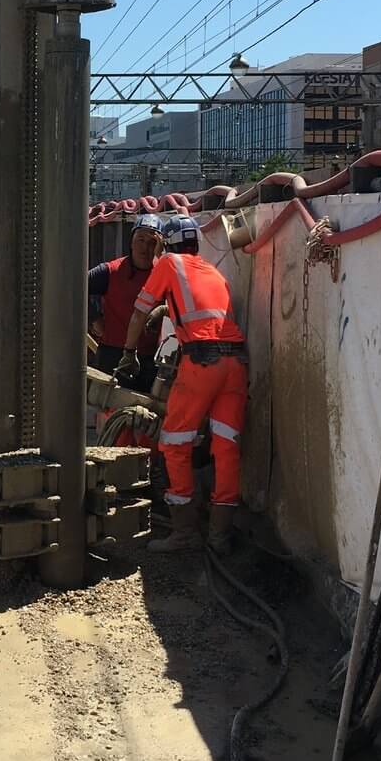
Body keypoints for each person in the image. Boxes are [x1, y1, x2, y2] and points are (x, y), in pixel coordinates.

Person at [113, 215, 246, 554]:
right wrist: (168, 312)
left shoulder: (169, 263)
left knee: (174, 442)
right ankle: (221, 535)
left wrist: (128, 353)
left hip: (201, 364)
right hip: (235, 364)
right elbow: (203, 312)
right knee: (226, 446)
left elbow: (140, 310)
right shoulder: (214, 272)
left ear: (165, 244)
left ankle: (184, 531)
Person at [87, 214, 164, 391]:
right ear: (131, 241)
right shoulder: (111, 271)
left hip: (149, 359)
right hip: (113, 355)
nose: (145, 248)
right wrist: (94, 317)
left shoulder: (165, 275)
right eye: (140, 240)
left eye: (152, 242)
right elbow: (76, 288)